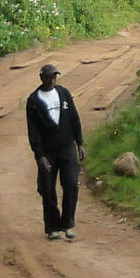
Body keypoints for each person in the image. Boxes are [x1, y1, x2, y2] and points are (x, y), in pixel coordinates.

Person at [26, 62, 85, 241]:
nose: (52, 79)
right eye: (49, 76)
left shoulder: (64, 94)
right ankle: (52, 227)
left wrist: (80, 143)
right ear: (42, 78)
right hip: (48, 152)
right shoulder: (34, 101)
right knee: (47, 189)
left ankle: (68, 224)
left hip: (67, 148)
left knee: (71, 184)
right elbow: (33, 131)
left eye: (55, 76)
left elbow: (74, 118)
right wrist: (40, 156)